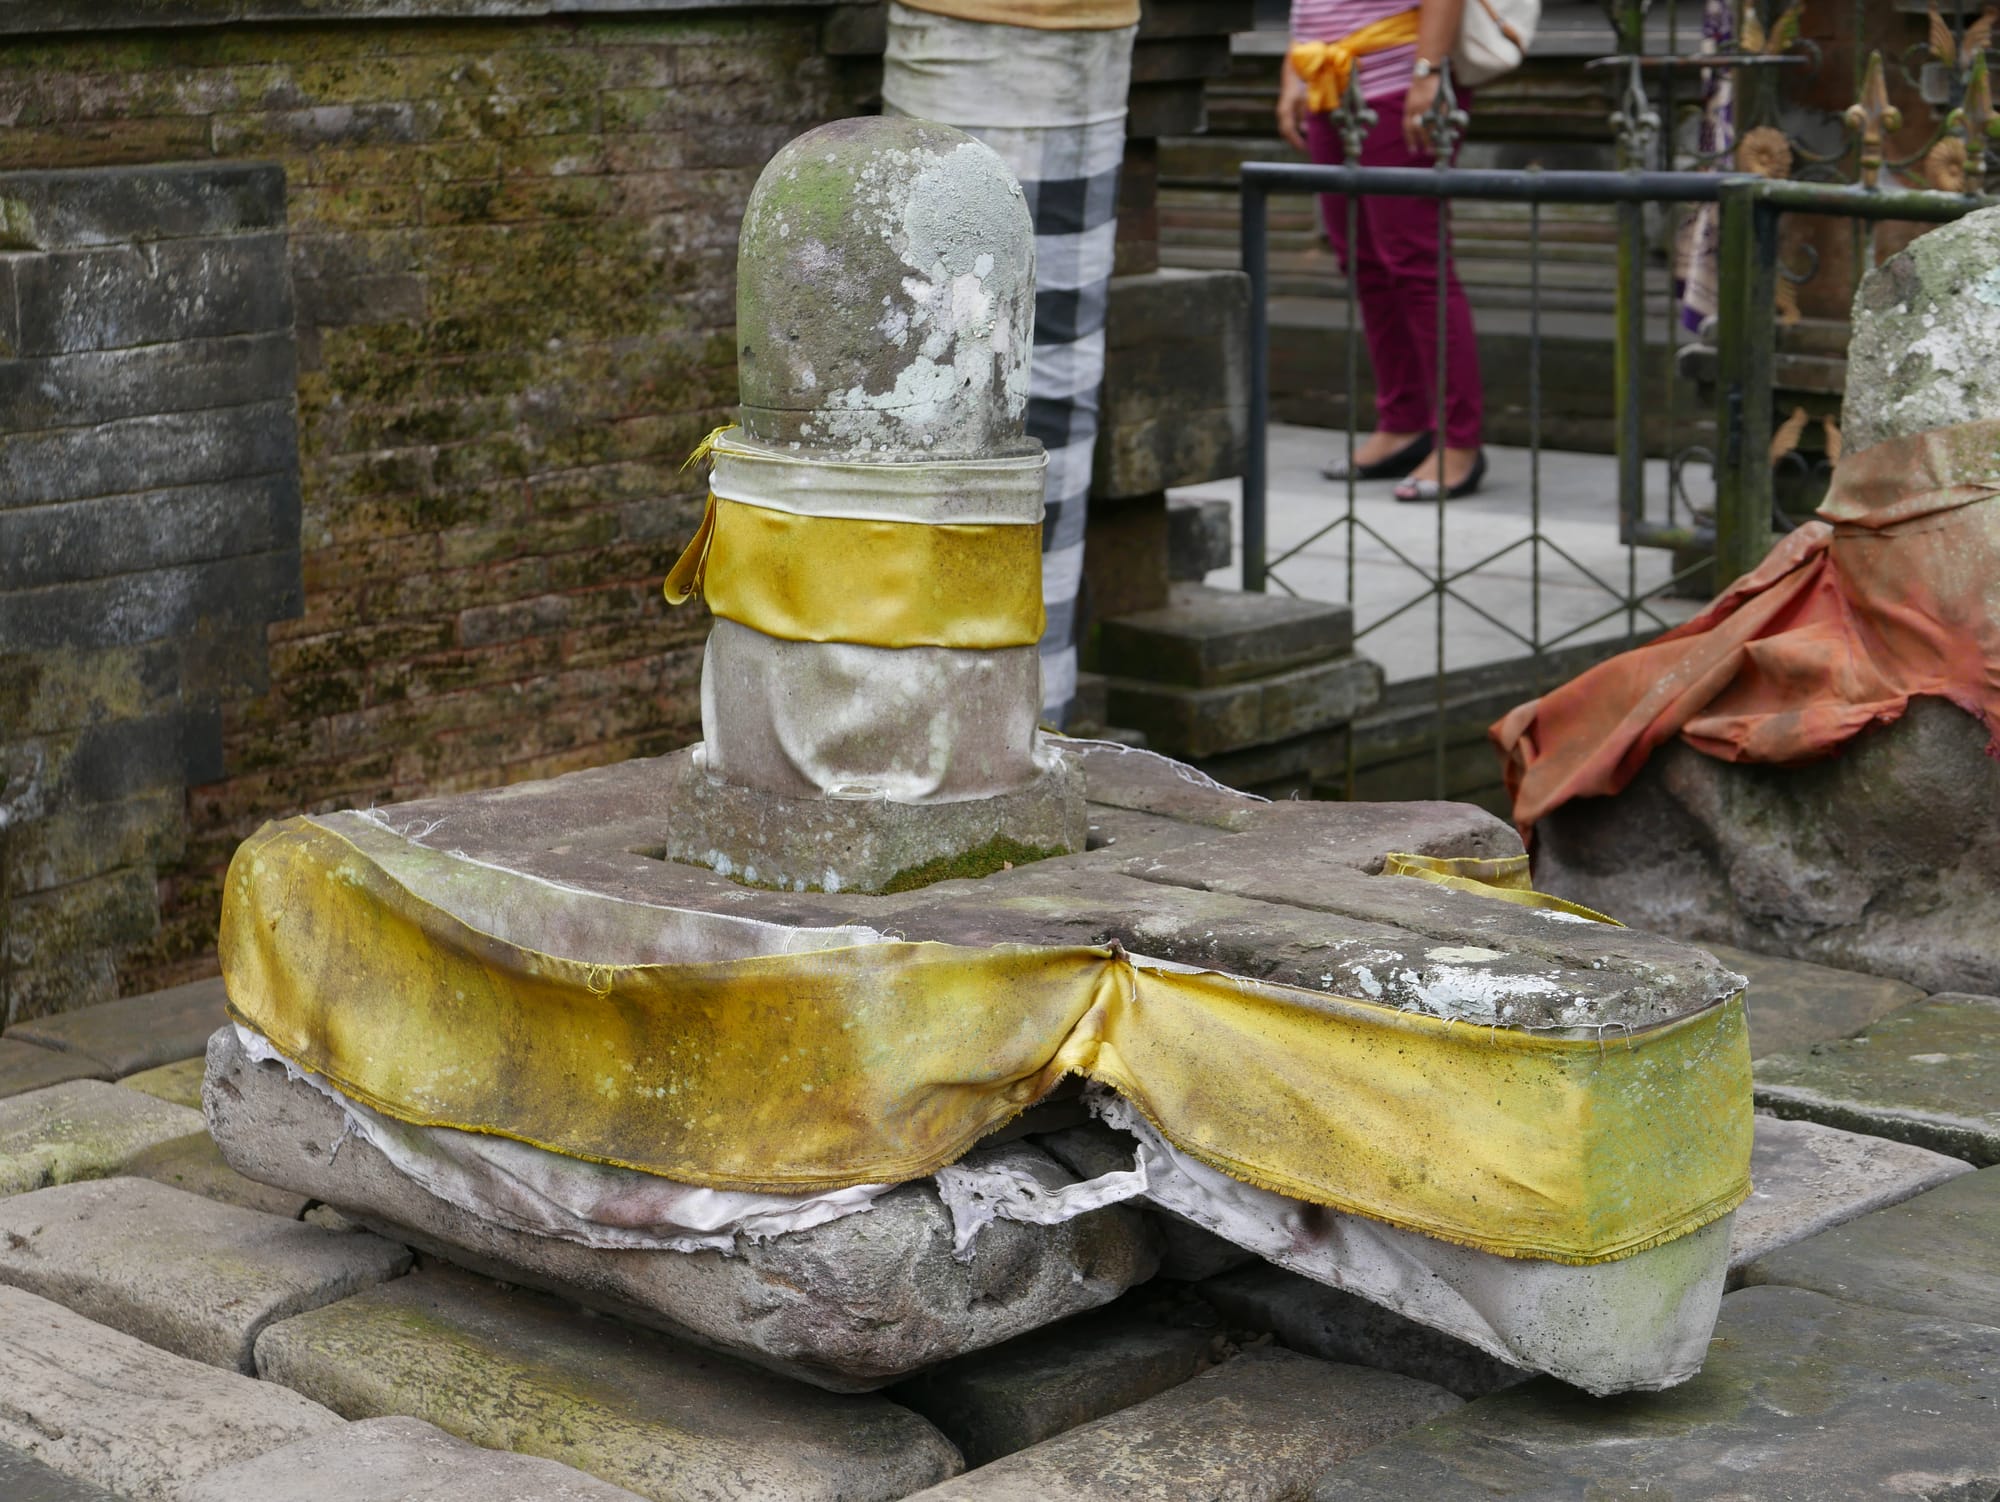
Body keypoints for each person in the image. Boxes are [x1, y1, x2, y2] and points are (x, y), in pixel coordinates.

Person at [1277, 0, 1487, 501]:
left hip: (1402, 81)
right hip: (1328, 82)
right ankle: (1404, 422)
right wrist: (1293, 69)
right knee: (1364, 264)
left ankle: (1459, 441)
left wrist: (1429, 72)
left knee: (1417, 267)